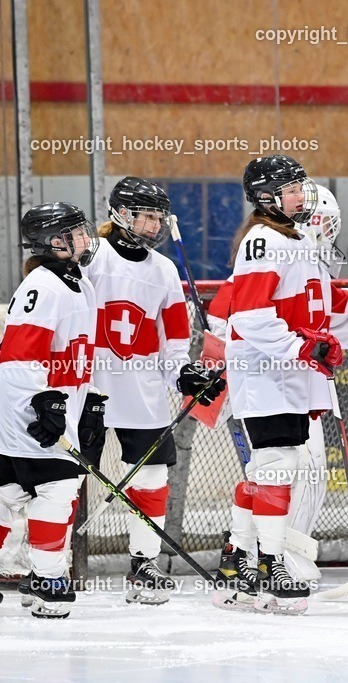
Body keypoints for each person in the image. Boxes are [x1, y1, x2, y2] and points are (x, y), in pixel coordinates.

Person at [216, 155, 348, 615]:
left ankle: (238, 561)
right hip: (265, 373)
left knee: (267, 469)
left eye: (300, 187)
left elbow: (321, 305)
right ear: (266, 197)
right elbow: (251, 316)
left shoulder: (295, 240)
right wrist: (301, 347)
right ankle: (270, 564)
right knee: (277, 466)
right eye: (292, 189)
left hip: (286, 374)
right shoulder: (264, 240)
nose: (301, 195)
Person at [84, 176, 225, 605]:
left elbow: (173, 347)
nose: (154, 226)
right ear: (121, 214)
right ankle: (52, 561)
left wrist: (185, 376)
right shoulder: (91, 256)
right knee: (63, 480)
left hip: (141, 394)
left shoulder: (164, 270)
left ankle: (144, 563)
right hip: (87, 388)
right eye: (146, 217)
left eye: (159, 218)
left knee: (151, 476)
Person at [0, 203, 102, 618]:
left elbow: (78, 354)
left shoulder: (80, 284)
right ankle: (47, 578)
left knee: (11, 493)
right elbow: (19, 356)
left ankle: (42, 576)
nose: (86, 238)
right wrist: (44, 401)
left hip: (56, 408)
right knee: (56, 488)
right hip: (26, 410)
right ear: (54, 242)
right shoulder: (42, 285)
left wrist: (89, 402)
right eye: (76, 233)